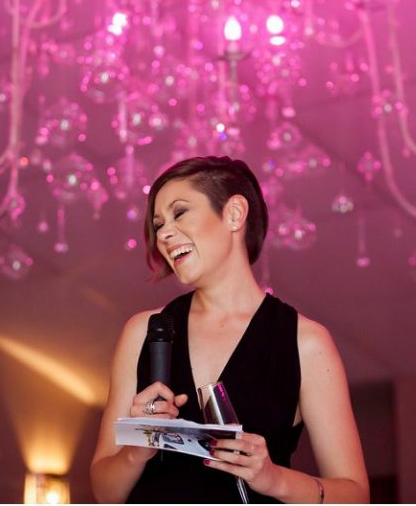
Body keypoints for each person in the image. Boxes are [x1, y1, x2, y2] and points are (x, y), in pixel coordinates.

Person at [90, 156, 369, 503]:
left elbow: (356, 495)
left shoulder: (304, 342)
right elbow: (104, 493)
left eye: (179, 213)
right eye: (158, 224)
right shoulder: (143, 332)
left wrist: (274, 479)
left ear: (235, 213)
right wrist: (137, 449)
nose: (163, 234)